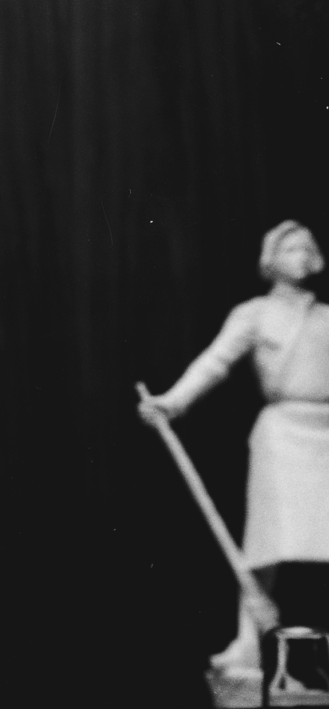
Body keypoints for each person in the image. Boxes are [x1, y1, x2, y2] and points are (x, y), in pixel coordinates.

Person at [139, 221, 329, 672]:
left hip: (326, 433)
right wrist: (173, 401)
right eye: (291, 249)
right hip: (282, 435)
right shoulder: (255, 314)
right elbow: (216, 362)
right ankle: (248, 644)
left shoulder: (325, 317)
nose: (302, 256)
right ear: (271, 259)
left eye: (308, 248)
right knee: (265, 546)